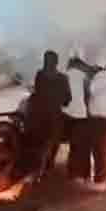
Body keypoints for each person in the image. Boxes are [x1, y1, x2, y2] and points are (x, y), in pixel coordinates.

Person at [26, 51, 71, 180]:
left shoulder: (40, 75)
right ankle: (46, 170)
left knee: (38, 145)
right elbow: (67, 100)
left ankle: (36, 171)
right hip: (54, 117)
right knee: (52, 143)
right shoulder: (62, 78)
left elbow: (37, 92)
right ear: (56, 62)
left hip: (38, 116)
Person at [86, 65, 106, 191]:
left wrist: (88, 82)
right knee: (102, 148)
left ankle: (100, 181)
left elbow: (92, 91)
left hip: (100, 118)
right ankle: (103, 177)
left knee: (99, 149)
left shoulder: (100, 76)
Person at [63, 57, 91, 182]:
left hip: (65, 115)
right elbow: (88, 96)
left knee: (72, 146)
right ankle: (82, 175)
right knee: (81, 146)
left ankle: (72, 172)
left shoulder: (64, 76)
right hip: (81, 115)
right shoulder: (85, 78)